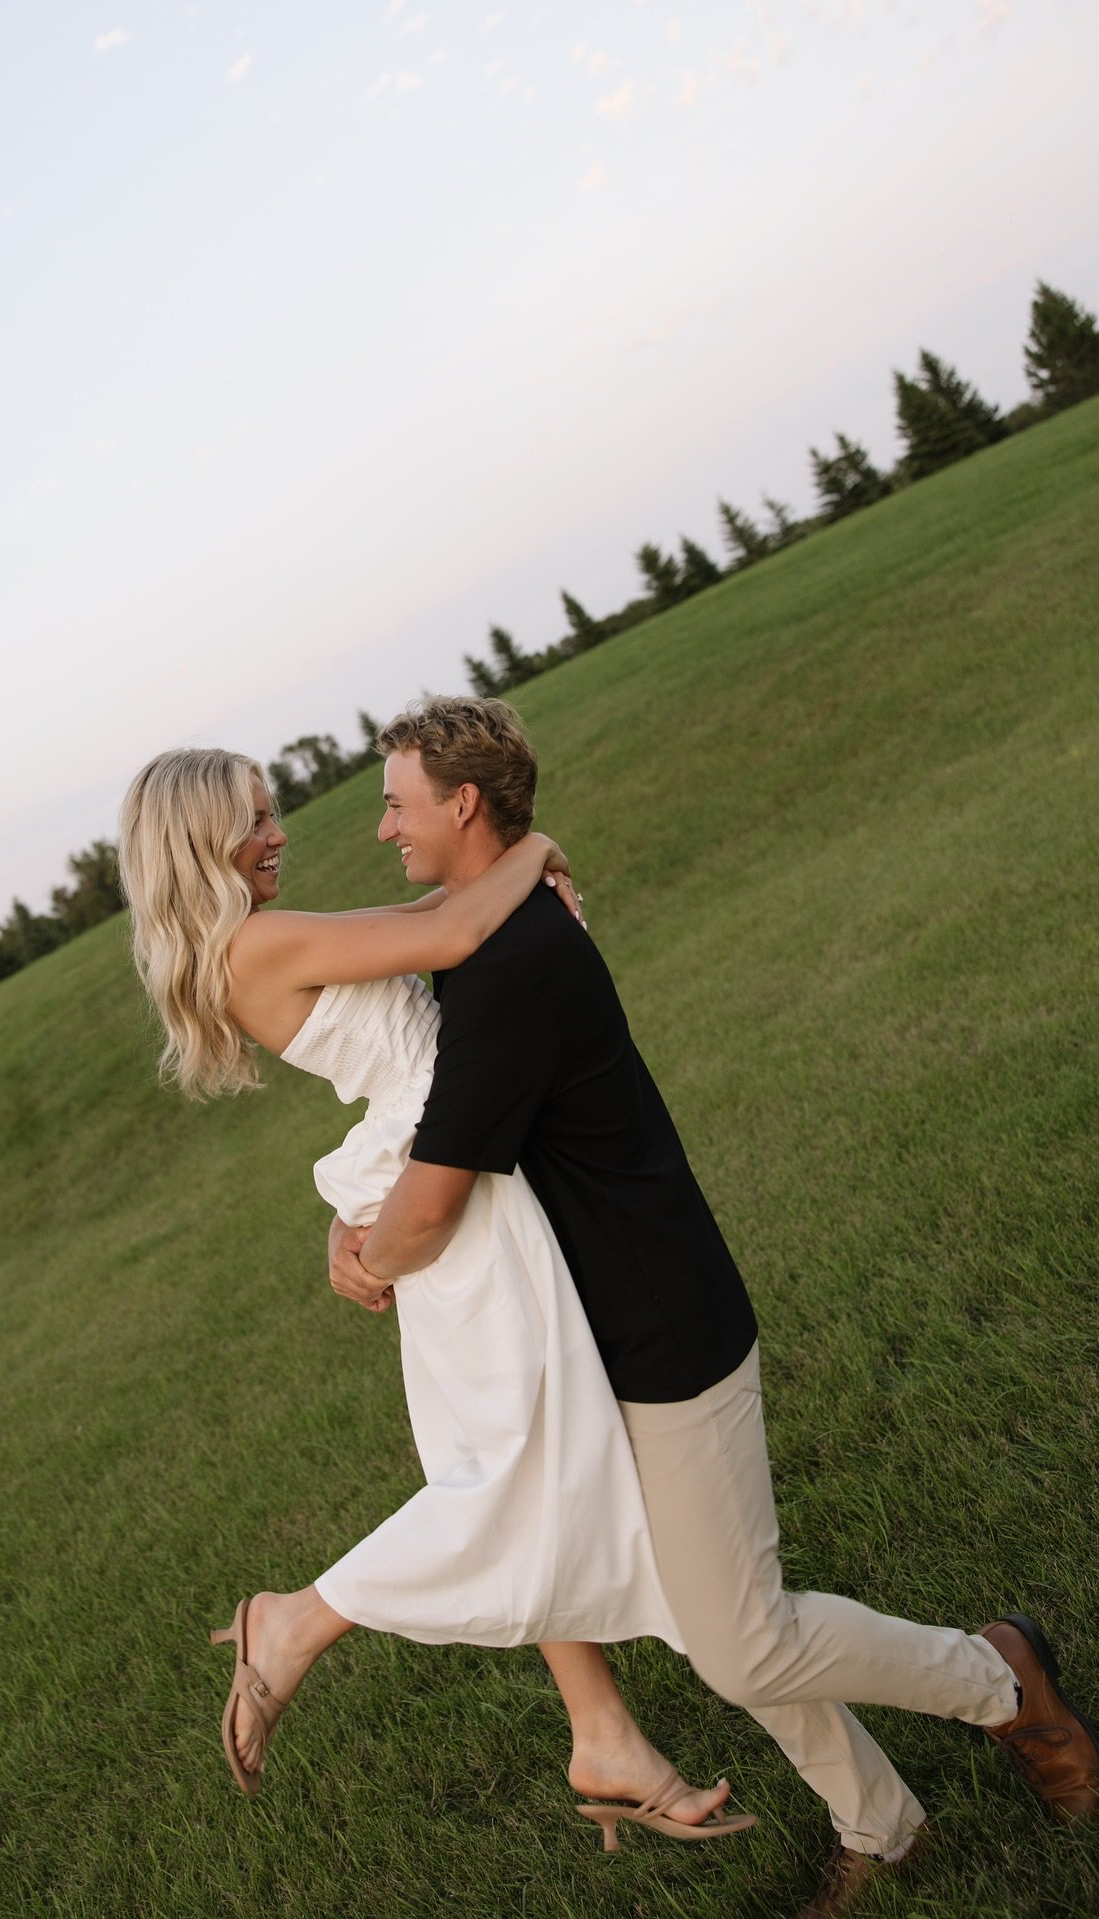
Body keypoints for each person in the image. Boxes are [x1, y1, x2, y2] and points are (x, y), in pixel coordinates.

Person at [325, 695, 1099, 1917]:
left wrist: (370, 1249)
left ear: (461, 804)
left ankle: (1002, 1682)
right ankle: (885, 1826)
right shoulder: (487, 933)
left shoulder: (514, 968)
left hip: (662, 1332)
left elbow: (425, 1209)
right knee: (715, 1620)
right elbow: (409, 1111)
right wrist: (348, 1220)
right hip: (594, 1341)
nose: (383, 828)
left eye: (396, 802)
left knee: (740, 1636)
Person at [117, 744, 756, 1843]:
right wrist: (543, 846)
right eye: (257, 821)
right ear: (198, 840)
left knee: (512, 1450)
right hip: (460, 1189)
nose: (280, 834)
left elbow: (446, 916)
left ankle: (602, 1729)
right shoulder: (262, 940)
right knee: (514, 1462)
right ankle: (298, 1618)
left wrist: (358, 1199)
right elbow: (458, 933)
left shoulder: (262, 936)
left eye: (273, 814)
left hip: (450, 1162)